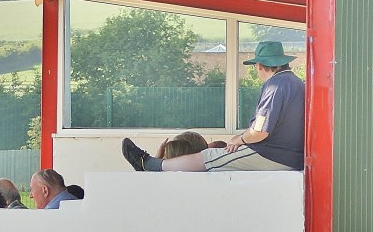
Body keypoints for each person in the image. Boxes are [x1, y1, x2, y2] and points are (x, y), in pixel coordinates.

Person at [122, 41, 304, 172]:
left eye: (256, 66)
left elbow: (259, 132)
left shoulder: (275, 86)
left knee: (208, 157)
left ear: (261, 65)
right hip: (291, 155)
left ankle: (150, 165)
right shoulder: (296, 83)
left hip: (273, 154)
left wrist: (239, 139)